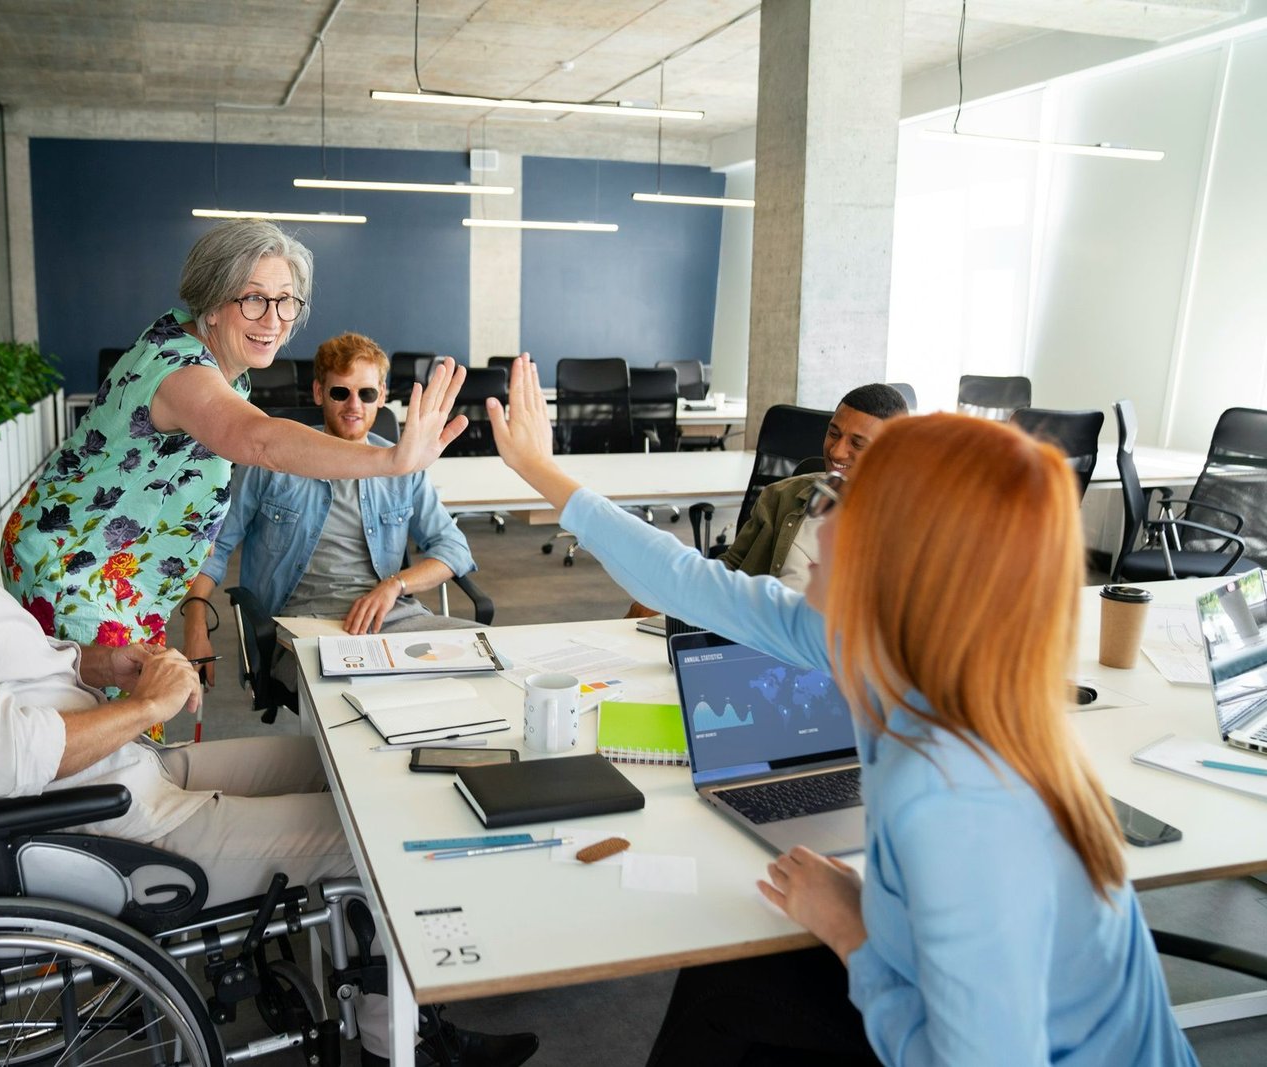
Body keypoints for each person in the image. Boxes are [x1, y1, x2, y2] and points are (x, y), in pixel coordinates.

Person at [0, 338, 535, 1067]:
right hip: (98, 820)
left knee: (343, 762)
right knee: (379, 832)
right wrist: (146, 705)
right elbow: (2, 755)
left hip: (119, 778)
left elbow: (0, 680)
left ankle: (374, 984)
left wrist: (97, 661)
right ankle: (395, 1038)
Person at [487, 355, 1197, 1066]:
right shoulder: (876, 645)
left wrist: (852, 931)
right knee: (725, 980)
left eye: (847, 508)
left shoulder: (951, 797)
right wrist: (542, 471)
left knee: (731, 992)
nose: (819, 523)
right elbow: (689, 583)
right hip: (928, 980)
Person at [0, 220, 467, 707]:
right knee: (111, 728)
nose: (274, 319)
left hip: (122, 575)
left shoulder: (220, 367)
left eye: (286, 300)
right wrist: (391, 459)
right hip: (77, 568)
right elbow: (260, 442)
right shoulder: (181, 369)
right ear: (211, 302)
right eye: (254, 299)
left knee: (130, 720)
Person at [184, 333, 478, 694]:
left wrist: (395, 585)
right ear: (319, 392)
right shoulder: (271, 460)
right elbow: (214, 548)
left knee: (483, 652)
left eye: (366, 394)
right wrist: (195, 626)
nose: (354, 405)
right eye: (340, 392)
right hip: (302, 627)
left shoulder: (404, 467)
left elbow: (453, 548)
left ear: (381, 396)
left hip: (390, 619)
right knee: (364, 694)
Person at [627, 384, 906, 618]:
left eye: (857, 444)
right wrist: (668, 596)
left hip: (836, 655)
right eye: (833, 433)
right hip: (759, 641)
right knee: (643, 609)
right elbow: (730, 568)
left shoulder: (911, 528)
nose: (836, 451)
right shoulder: (782, 496)